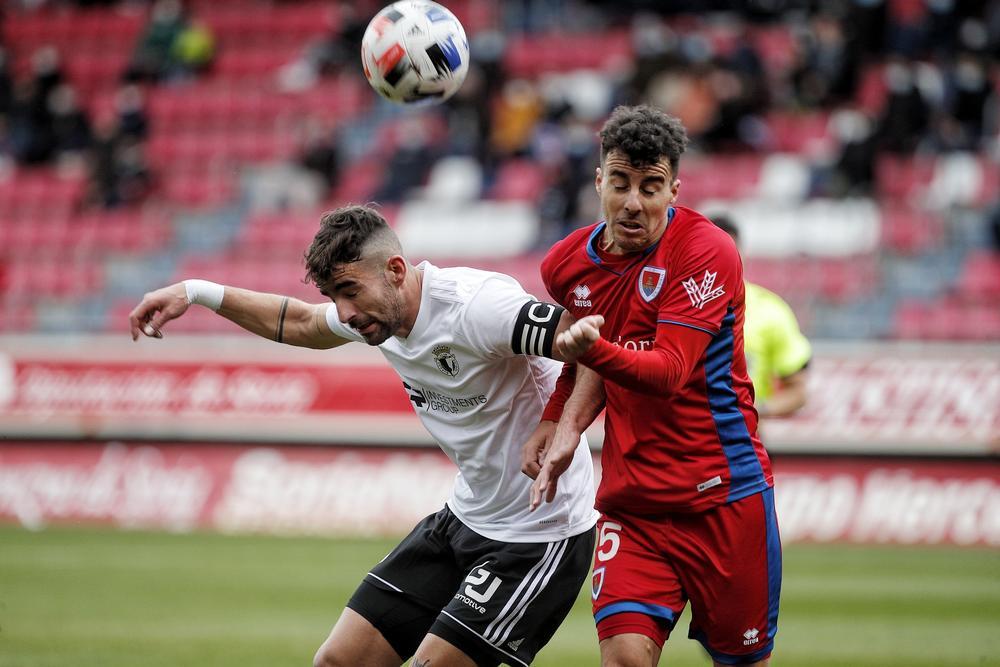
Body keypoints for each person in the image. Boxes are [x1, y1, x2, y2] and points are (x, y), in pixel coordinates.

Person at [128, 205, 597, 667]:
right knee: (338, 661)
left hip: (540, 533)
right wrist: (196, 292)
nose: (345, 313)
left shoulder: (476, 308)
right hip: (466, 516)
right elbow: (304, 322)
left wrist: (561, 420)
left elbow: (588, 340)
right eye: (335, 296)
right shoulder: (381, 316)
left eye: (349, 290)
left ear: (395, 270)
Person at [524, 105, 781, 667]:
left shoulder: (705, 251)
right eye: (620, 184)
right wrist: (556, 421)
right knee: (623, 658)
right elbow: (583, 362)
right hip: (633, 505)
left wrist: (589, 350)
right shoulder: (566, 265)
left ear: (674, 189)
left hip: (723, 497)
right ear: (599, 182)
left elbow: (666, 371)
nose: (633, 202)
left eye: (650, 186)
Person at [711, 214, 811, 418]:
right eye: (710, 252)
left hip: (742, 440)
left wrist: (751, 411)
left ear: (741, 254)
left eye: (728, 252)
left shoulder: (770, 312)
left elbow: (797, 392)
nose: (720, 261)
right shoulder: (670, 307)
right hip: (683, 440)